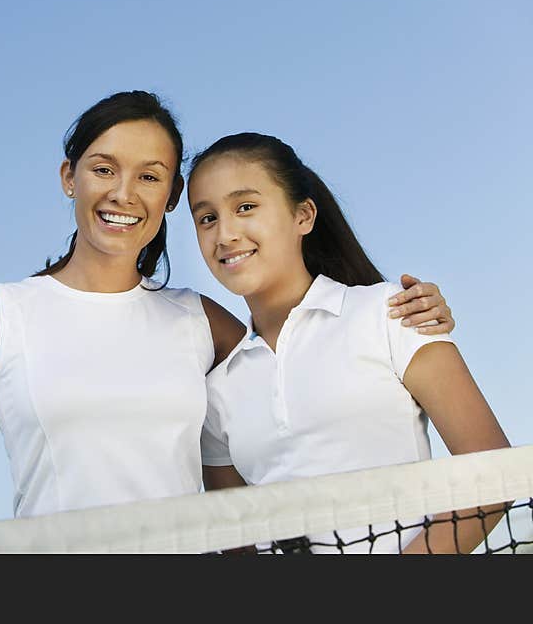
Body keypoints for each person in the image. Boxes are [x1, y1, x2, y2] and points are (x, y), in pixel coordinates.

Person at [0, 91, 453, 531]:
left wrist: (408, 316)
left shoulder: (202, 322)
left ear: (170, 197)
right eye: (103, 169)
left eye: (149, 176)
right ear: (69, 178)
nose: (123, 194)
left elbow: (300, 372)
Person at [188, 132, 509, 553]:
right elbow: (234, 538)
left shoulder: (391, 313)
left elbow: (494, 474)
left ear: (303, 216)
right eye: (207, 218)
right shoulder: (217, 390)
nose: (225, 233)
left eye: (245, 207)